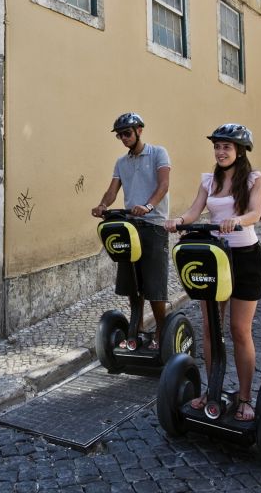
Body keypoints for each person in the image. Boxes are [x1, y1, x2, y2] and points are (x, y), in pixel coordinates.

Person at [163, 124, 261, 422]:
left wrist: (236, 220)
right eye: (217, 147)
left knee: (239, 330)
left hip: (246, 259)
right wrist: (178, 221)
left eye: (227, 147)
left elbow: (255, 213)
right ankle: (212, 390)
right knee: (211, 328)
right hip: (216, 257)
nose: (220, 152)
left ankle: (245, 398)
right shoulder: (208, 181)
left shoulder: (253, 179)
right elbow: (195, 211)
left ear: (240, 151)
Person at [91, 112, 172, 351]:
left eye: (127, 133)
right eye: (119, 135)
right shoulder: (121, 162)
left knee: (155, 285)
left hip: (154, 225)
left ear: (139, 131)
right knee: (133, 282)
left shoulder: (158, 153)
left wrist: (147, 206)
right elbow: (112, 190)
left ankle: (161, 330)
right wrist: (103, 205)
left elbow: (164, 184)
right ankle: (135, 329)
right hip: (130, 228)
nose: (123, 138)